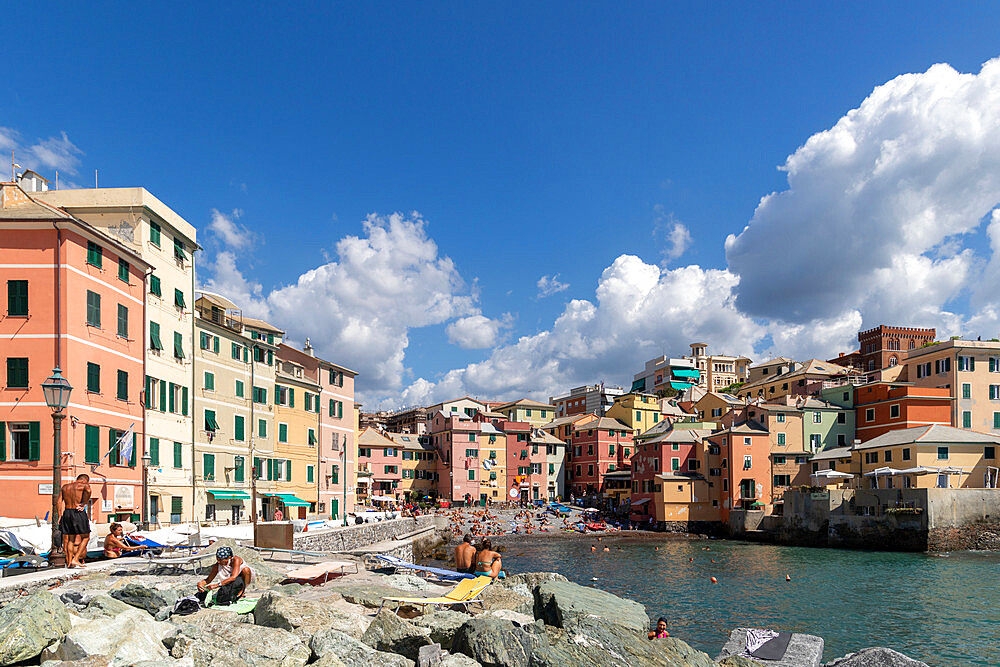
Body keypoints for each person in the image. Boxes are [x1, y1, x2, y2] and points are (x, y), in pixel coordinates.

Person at [57, 474, 92, 568]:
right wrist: (84, 503)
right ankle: (76, 559)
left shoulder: (65, 487)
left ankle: (69, 563)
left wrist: (60, 515)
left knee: (70, 539)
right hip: (77, 512)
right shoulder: (84, 485)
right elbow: (88, 491)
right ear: (86, 480)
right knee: (86, 537)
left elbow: (59, 501)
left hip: (67, 512)